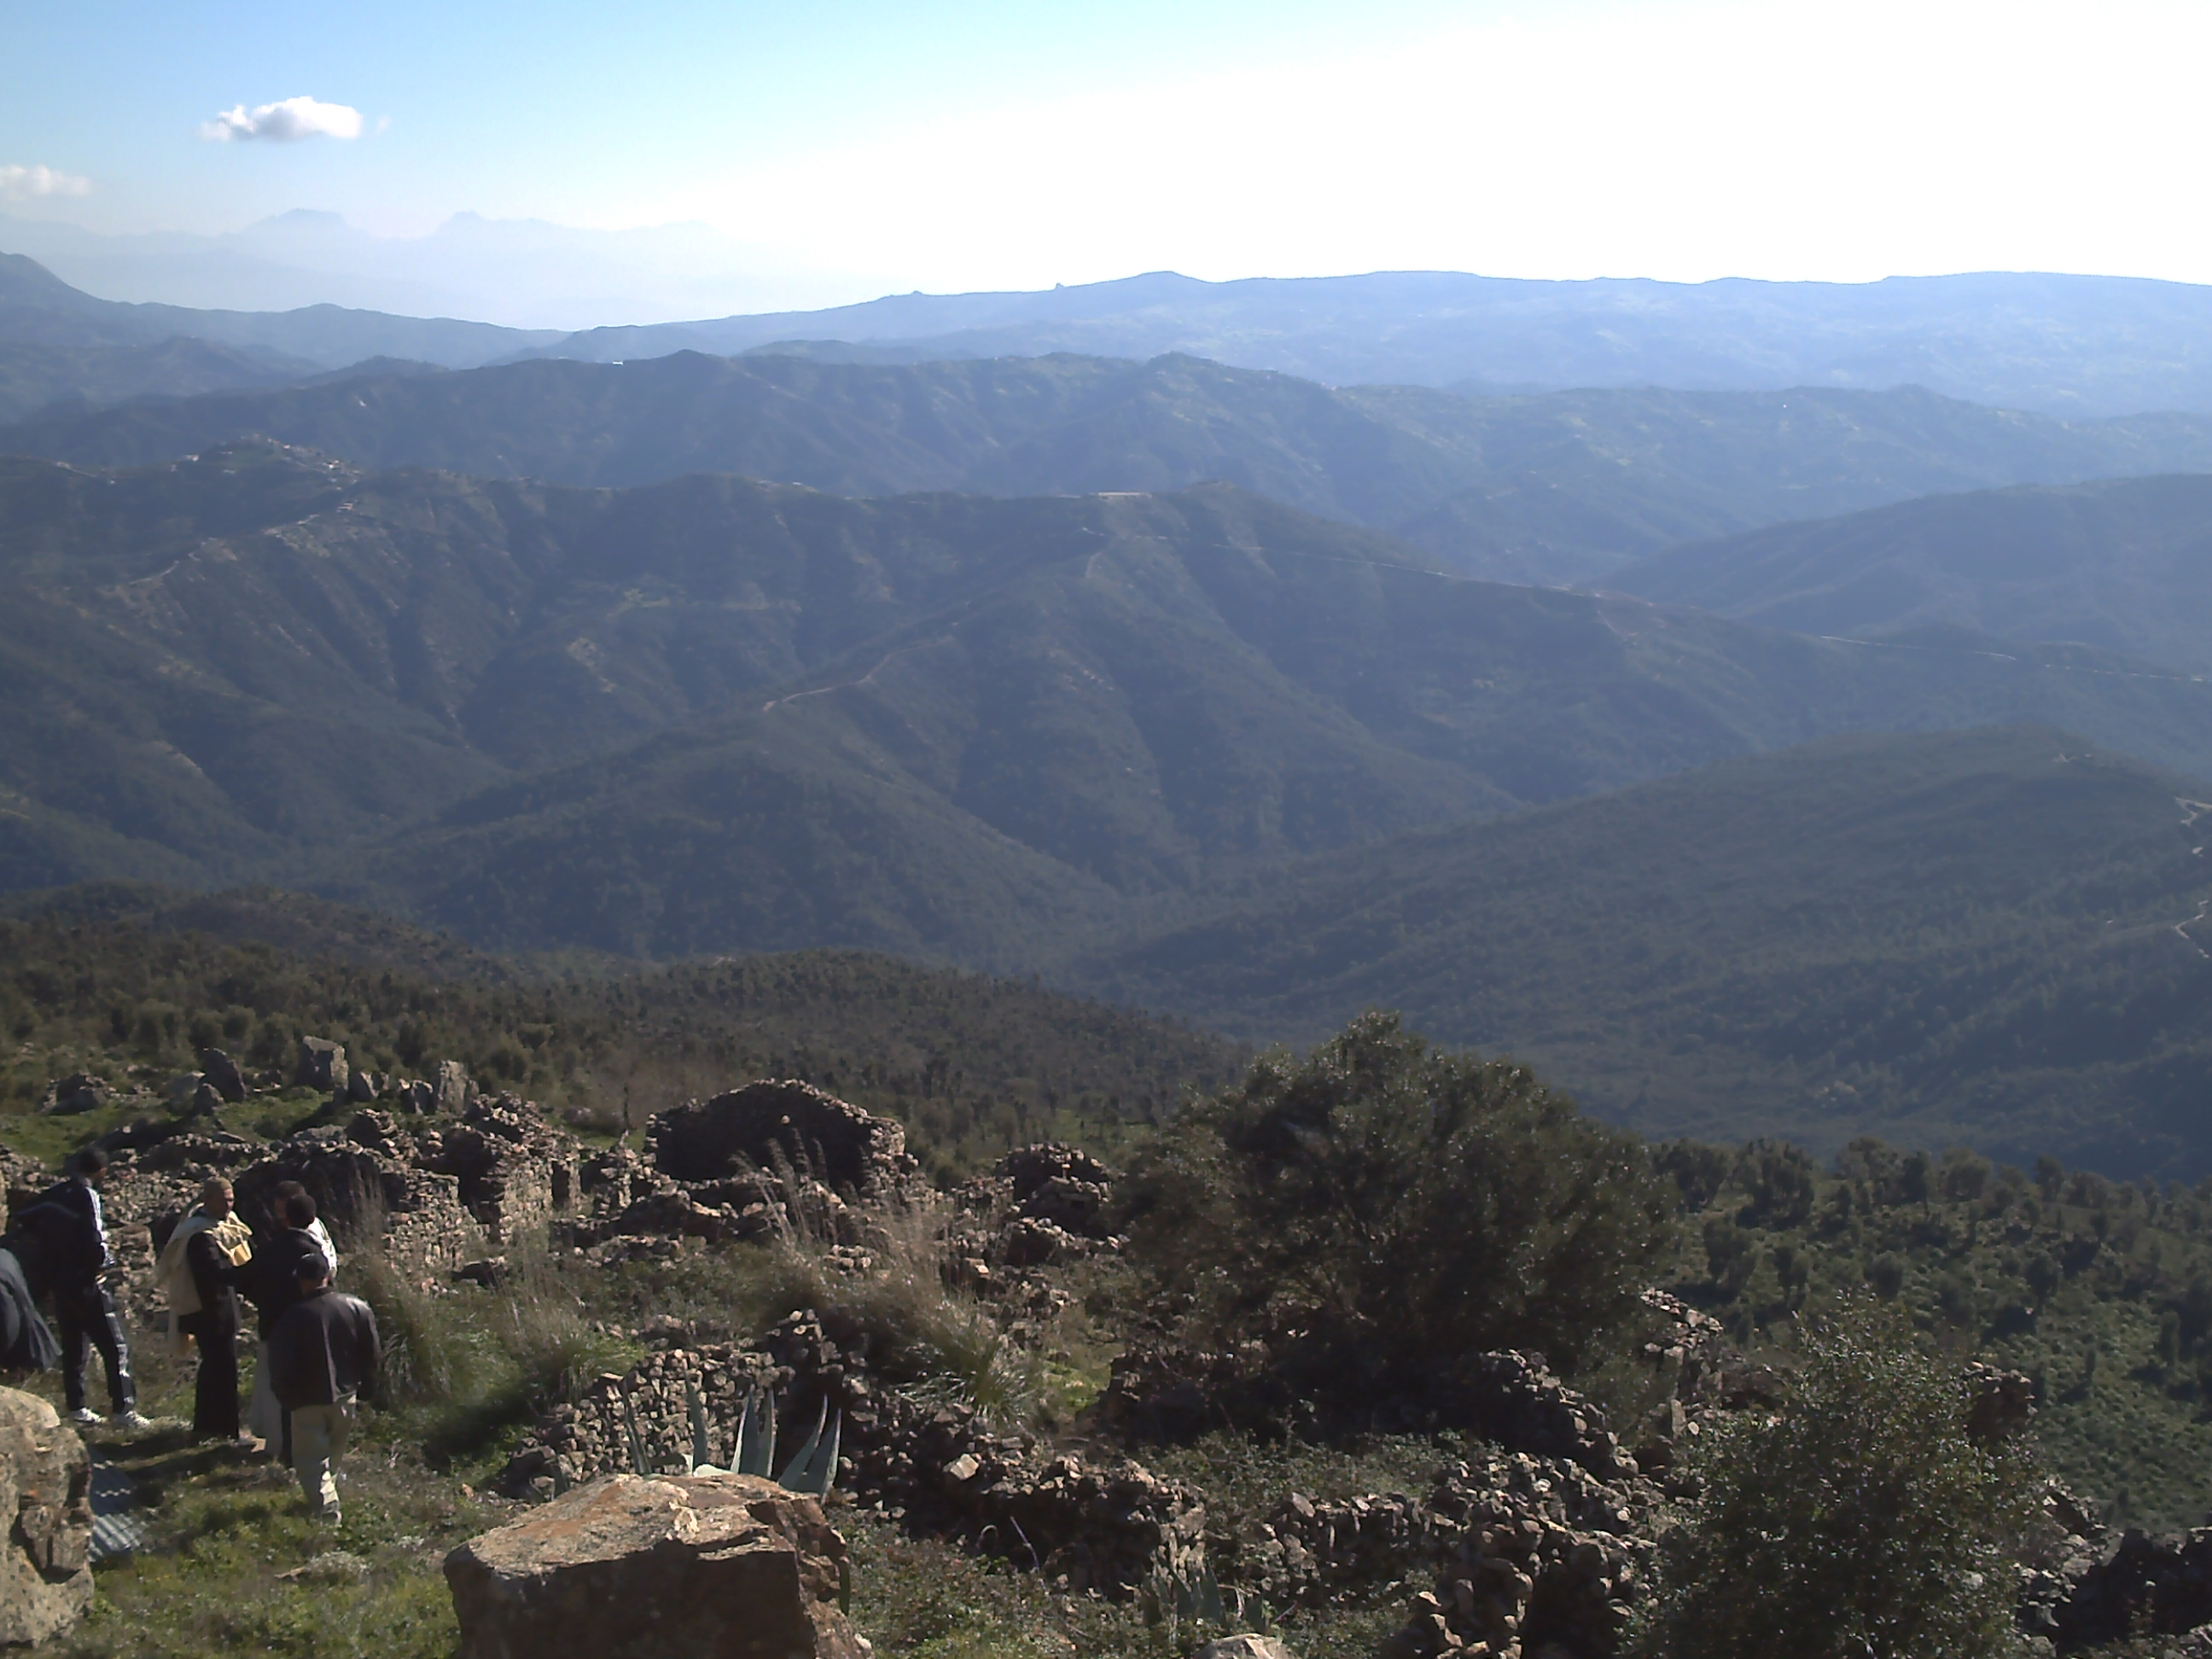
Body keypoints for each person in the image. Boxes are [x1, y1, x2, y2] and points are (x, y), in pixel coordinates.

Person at [26, 1150, 148, 1429]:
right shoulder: (86, 1195)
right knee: (115, 1345)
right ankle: (123, 1410)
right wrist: (101, 1264)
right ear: (101, 1171)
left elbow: (26, 1216)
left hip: (60, 1281)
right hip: (85, 1281)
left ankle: (77, 1407)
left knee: (74, 1344)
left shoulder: (55, 1194)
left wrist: (53, 1245)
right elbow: (96, 1236)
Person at [266, 1249, 378, 1525]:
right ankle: (326, 1501)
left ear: (301, 1280)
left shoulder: (292, 1317)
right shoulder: (357, 1307)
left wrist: (284, 1396)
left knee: (310, 1461)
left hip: (307, 1399)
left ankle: (328, 1513)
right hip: (345, 1394)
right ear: (328, 1275)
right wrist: (364, 1386)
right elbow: (372, 1355)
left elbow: (280, 1363)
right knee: (333, 1456)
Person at [154, 1178, 253, 1441]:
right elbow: (213, 1276)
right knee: (221, 1372)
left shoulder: (222, 1227)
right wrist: (247, 1274)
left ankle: (209, 1428)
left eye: (231, 1200)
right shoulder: (199, 1236)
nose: (229, 1206)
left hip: (218, 1312)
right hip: (209, 1313)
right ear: (208, 1200)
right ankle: (222, 1430)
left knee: (217, 1370)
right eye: (224, 1200)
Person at [244, 1187, 333, 1460]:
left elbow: (250, 1279)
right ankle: (306, 1450)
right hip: (309, 1329)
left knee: (277, 1390)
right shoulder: (314, 1247)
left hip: (275, 1325)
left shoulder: (271, 1247)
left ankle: (279, 1446)